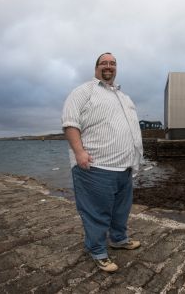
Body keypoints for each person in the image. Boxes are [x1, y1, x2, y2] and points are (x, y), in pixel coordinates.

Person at [62, 52, 143, 272]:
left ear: (116, 68)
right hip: (96, 166)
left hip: (124, 167)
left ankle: (118, 239)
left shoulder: (123, 97)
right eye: (104, 63)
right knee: (95, 212)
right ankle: (97, 249)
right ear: (96, 67)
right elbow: (70, 122)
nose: (109, 66)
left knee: (120, 210)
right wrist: (79, 152)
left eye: (113, 63)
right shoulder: (83, 91)